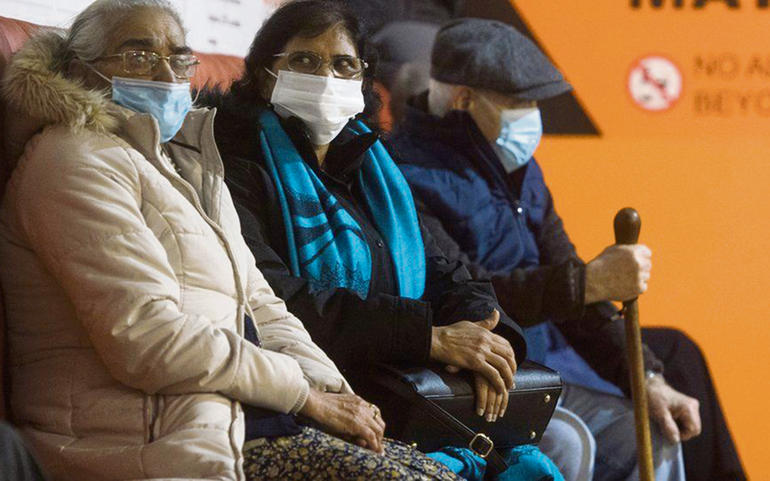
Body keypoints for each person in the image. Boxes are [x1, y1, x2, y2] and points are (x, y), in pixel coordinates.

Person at [0, 1, 463, 480]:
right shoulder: (74, 161)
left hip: (239, 414)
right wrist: (305, 396)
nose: (165, 75)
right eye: (139, 57)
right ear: (82, 70)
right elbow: (147, 336)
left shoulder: (187, 162)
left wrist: (333, 392)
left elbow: (261, 303)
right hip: (146, 435)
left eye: (179, 59)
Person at [203, 2, 568, 479]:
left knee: (540, 460)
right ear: (265, 75)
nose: (326, 76)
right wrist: (428, 339)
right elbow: (274, 297)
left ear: (363, 80)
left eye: (344, 64)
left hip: (405, 387)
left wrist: (482, 333)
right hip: (317, 393)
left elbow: (445, 270)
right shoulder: (231, 162)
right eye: (304, 61)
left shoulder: (374, 165)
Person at [388, 18, 722, 481]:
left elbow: (571, 281)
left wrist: (646, 378)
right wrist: (583, 283)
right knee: (568, 442)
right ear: (464, 100)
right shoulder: (402, 174)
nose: (532, 116)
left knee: (653, 427)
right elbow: (469, 296)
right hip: (476, 383)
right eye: (520, 103)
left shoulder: (520, 168)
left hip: (542, 370)